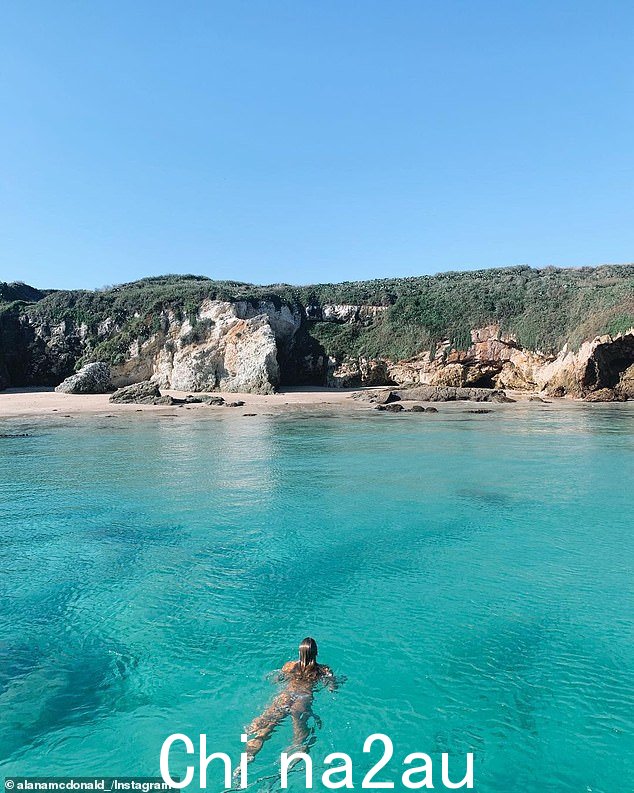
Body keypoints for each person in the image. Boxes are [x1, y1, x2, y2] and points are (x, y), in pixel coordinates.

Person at [243, 637, 335, 764]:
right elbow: (332, 687)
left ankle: (248, 757)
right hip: (302, 702)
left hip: (285, 698)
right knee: (300, 737)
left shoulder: (289, 666)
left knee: (264, 730)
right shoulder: (323, 670)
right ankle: (289, 759)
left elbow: (277, 679)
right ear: (316, 652)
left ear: (299, 652)